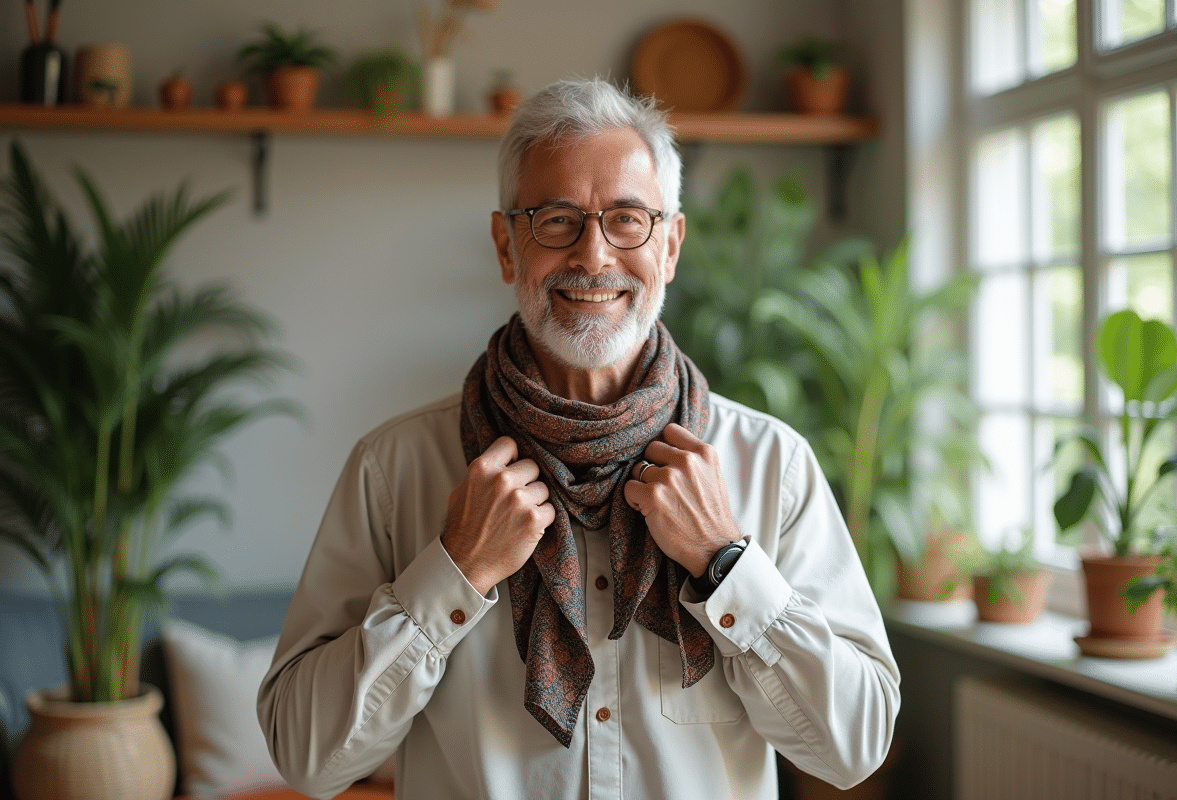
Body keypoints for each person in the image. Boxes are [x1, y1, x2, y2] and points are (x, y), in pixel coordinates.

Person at [258, 77, 900, 800]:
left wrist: (726, 564)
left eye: (627, 219)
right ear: (507, 246)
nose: (594, 256)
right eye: (556, 220)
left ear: (670, 247)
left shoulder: (772, 465)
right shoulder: (395, 468)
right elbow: (307, 760)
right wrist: (452, 575)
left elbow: (856, 746)